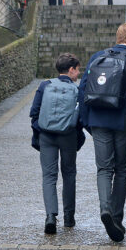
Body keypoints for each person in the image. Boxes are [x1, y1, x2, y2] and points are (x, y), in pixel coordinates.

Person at [78, 22, 126, 242]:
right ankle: (116, 218)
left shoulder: (97, 56)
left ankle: (105, 208)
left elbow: (82, 89)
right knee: (122, 169)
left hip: (98, 118)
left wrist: (87, 121)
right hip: (122, 119)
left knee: (103, 168)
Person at [29, 53, 85, 234]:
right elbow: (81, 118)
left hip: (46, 135)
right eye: (77, 70)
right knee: (69, 174)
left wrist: (42, 129)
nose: (78, 74)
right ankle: (69, 218)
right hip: (68, 136)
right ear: (71, 70)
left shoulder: (45, 85)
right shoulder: (77, 90)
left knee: (49, 176)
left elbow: (34, 112)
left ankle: (50, 216)